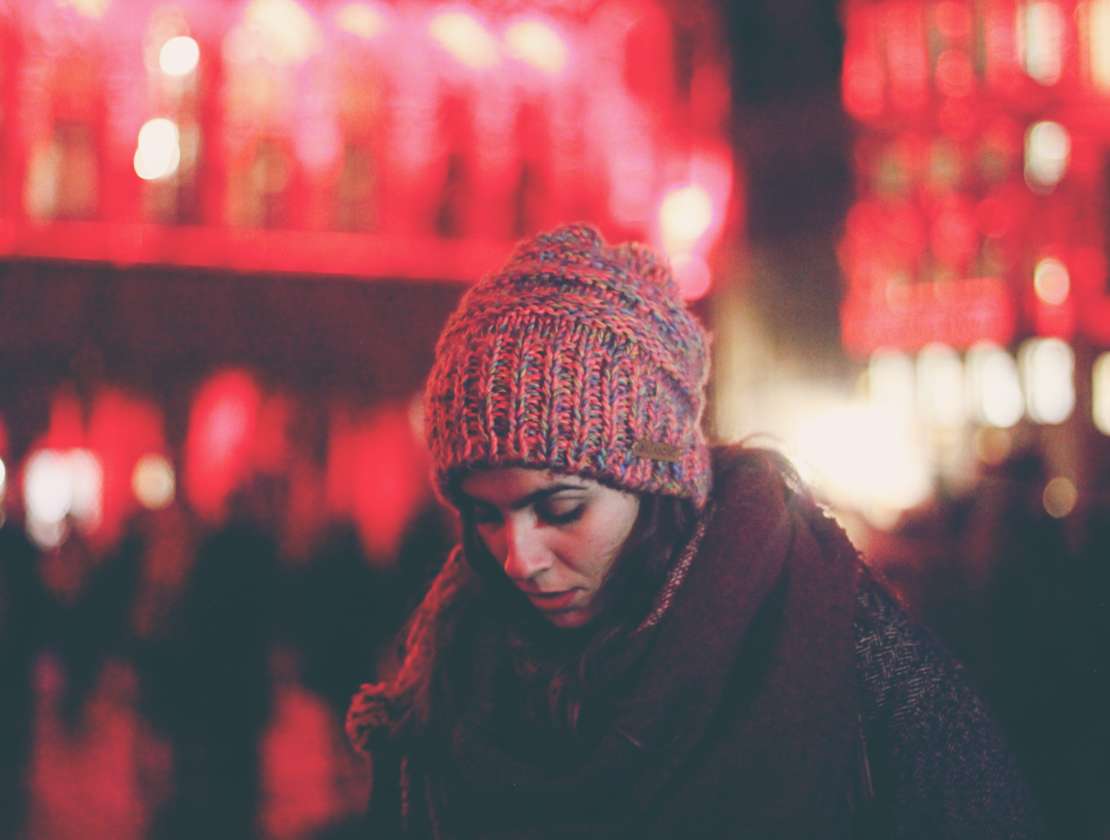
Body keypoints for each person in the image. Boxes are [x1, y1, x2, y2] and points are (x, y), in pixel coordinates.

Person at [346, 224, 1044, 839]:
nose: (517, 560)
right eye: (485, 516)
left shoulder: (851, 652)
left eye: (561, 510)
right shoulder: (442, 681)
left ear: (655, 480)